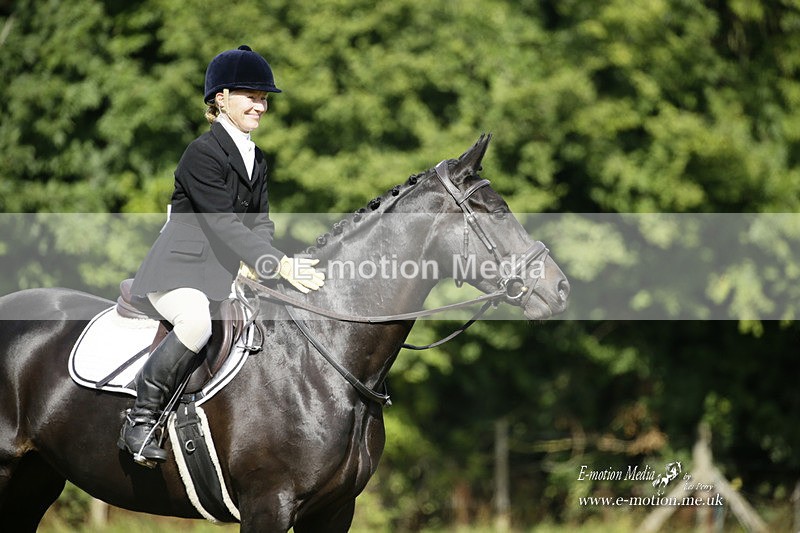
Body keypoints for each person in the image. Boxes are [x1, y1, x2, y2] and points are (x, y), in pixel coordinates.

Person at [118, 45, 324, 467]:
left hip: (222, 277)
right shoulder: (202, 153)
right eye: (251, 96)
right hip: (177, 274)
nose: (261, 106)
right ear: (221, 98)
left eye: (264, 98)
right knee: (195, 322)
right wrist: (278, 264)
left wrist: (266, 258)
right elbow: (223, 224)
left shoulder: (257, 158)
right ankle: (140, 421)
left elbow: (260, 223)